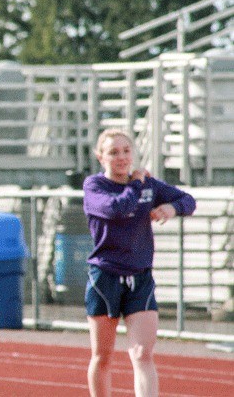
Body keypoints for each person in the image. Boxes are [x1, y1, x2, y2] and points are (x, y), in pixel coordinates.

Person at [82, 128, 196, 397]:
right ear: (101, 157)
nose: (121, 157)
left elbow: (188, 200)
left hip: (140, 277)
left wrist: (173, 208)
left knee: (142, 353)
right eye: (113, 152)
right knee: (103, 356)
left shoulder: (148, 184)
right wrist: (136, 182)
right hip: (105, 277)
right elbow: (118, 208)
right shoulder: (94, 186)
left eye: (126, 151)